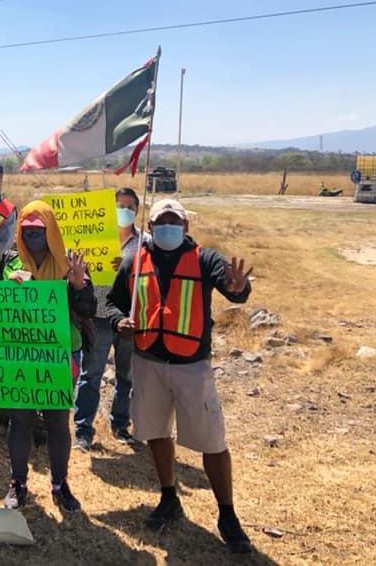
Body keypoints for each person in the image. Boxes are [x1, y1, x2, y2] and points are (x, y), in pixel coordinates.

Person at [107, 198, 254, 554]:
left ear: (185, 227)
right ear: (152, 226)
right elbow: (111, 301)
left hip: (192, 366)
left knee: (212, 440)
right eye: (161, 222)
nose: (167, 227)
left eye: (174, 221)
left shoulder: (206, 258)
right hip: (147, 363)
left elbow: (233, 287)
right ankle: (169, 496)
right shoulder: (134, 260)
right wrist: (118, 321)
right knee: (156, 433)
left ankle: (227, 514)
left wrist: (238, 289)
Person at [0, 200, 95, 512]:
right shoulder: (11, 263)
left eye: (39, 230)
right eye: (26, 231)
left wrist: (79, 285)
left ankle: (59, 483)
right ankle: (18, 483)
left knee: (57, 422)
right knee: (21, 421)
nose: (32, 237)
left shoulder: (70, 265)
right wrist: (10, 291)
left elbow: (88, 310)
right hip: (23, 355)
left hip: (60, 355)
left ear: (51, 230)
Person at [74, 187, 146, 450]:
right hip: (100, 314)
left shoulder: (144, 243)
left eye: (129, 206)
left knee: (127, 375)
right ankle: (83, 430)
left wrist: (128, 268)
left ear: (137, 211)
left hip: (130, 318)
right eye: (119, 205)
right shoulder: (94, 239)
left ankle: (121, 424)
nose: (123, 211)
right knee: (91, 374)